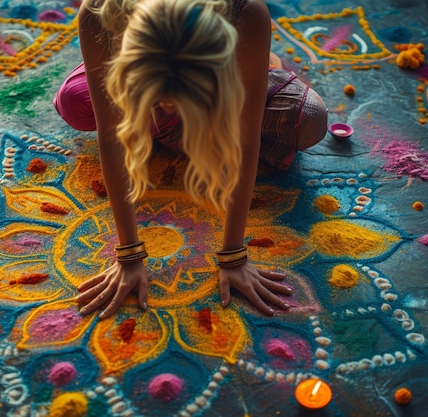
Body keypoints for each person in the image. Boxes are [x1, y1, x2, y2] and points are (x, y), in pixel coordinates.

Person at [53, 0, 328, 319]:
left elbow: (246, 137)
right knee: (75, 101)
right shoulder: (99, 12)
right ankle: (174, 121)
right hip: (153, 76)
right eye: (162, 98)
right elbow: (112, 137)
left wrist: (234, 254)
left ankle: (220, 91)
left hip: (221, 80)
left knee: (311, 120)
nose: (170, 106)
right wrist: (128, 255)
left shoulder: (246, 12)